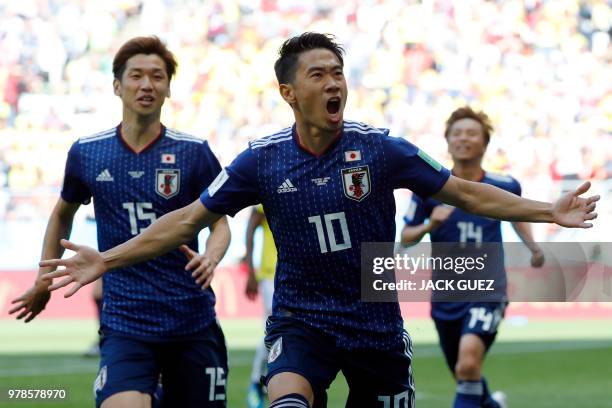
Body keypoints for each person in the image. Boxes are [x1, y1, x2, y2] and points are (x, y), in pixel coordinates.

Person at [38, 33, 598, 408]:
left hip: (375, 326)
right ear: (289, 92)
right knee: (287, 398)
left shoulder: (383, 149)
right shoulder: (261, 159)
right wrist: (106, 259)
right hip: (300, 322)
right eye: (318, 75)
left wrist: (550, 210)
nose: (333, 84)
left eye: (338, 73)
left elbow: (465, 193)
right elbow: (188, 219)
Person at [9, 36, 231, 408]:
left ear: (169, 88)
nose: (147, 85)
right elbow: (62, 214)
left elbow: (219, 222)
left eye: (157, 77)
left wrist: (211, 255)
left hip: (191, 321)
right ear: (117, 85)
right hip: (126, 323)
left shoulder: (194, 152)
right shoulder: (88, 152)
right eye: (137, 76)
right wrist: (43, 281)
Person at [401, 106, 545, 408]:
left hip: (487, 290)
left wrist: (534, 247)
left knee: (467, 364)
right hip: (446, 297)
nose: (463, 139)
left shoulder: (504, 185)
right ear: (448, 141)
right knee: (464, 373)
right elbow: (405, 238)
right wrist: (430, 225)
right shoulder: (429, 189)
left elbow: (516, 214)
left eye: (471, 133)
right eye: (457, 133)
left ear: (484, 142)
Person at [244, 205, 278, 408]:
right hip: (271, 274)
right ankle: (256, 383)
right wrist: (250, 270)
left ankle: (265, 381)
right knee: (274, 329)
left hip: (297, 274)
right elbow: (251, 226)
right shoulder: (273, 181)